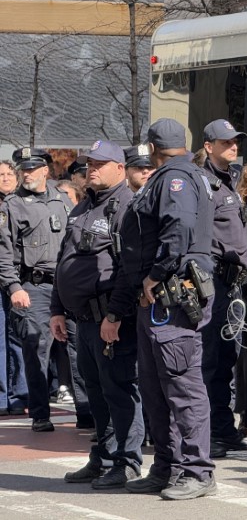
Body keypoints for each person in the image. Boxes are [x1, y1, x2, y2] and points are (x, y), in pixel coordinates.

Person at [111, 118, 217, 500]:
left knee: (182, 385)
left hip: (171, 295)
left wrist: (156, 275)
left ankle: (197, 472)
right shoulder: (178, 175)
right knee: (157, 386)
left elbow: (179, 229)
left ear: (153, 147)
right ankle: (167, 467)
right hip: (158, 299)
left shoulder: (176, 179)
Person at [49, 140, 143, 489]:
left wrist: (115, 315)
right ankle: (103, 456)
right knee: (95, 392)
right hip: (81, 319)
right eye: (90, 163)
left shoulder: (126, 207)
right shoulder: (82, 207)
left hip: (109, 319)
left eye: (100, 163)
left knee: (118, 390)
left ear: (119, 168)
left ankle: (127, 461)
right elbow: (65, 261)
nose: (92, 168)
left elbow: (128, 270)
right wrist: (58, 309)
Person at [0, 147, 74, 432]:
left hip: (67, 285)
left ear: (46, 170)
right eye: (23, 169)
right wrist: (14, 286)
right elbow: (4, 253)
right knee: (36, 349)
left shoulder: (64, 200)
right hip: (34, 286)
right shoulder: (12, 205)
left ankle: (88, 413)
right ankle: (41, 414)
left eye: (32, 168)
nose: (27, 174)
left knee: (79, 351)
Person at [198, 119, 247, 454]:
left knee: (227, 359)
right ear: (209, 146)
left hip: (233, 282)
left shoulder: (231, 181)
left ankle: (223, 427)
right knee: (209, 360)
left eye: (235, 141)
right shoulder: (203, 183)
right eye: (225, 142)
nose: (233, 146)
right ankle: (206, 431)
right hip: (213, 280)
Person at [0, 160, 27, 417]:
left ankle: (20, 395)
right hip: (2, 279)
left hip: (21, 280)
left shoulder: (24, 202)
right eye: (1, 174)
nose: (6, 178)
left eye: (10, 173)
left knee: (19, 339)